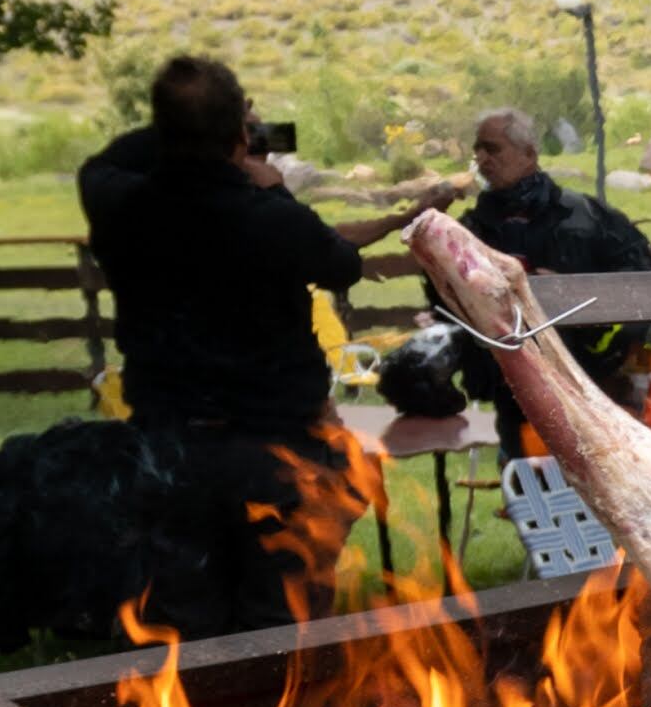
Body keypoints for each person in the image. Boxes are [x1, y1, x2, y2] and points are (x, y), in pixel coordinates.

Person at [72, 55, 450, 632]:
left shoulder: (124, 206)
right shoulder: (271, 218)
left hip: (168, 451)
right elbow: (341, 264)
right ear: (238, 134)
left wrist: (194, 126)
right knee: (284, 627)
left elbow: (107, 162)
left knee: (185, 632)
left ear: (165, 132)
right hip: (275, 454)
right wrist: (269, 186)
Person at [456, 107, 651, 449]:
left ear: (528, 154)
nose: (482, 159)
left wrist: (569, 291)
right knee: (532, 480)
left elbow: (642, 281)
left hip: (594, 378)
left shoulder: (586, 216)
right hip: (513, 387)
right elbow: (447, 298)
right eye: (478, 151)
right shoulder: (472, 228)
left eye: (492, 149)